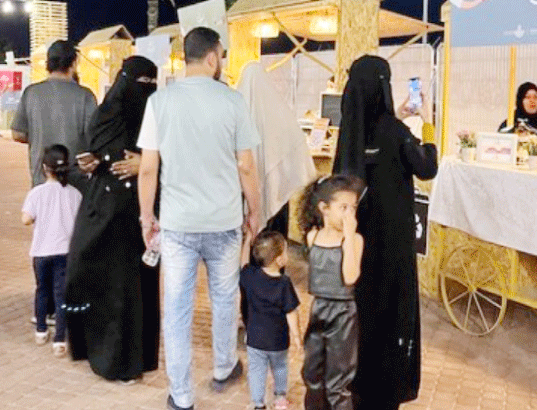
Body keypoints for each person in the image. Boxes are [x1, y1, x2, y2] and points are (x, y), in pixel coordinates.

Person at [136, 27, 261, 410]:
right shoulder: (234, 101)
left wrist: (146, 217)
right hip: (223, 222)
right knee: (225, 299)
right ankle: (224, 368)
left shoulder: (159, 101)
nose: (221, 62)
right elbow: (245, 165)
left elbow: (147, 170)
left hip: (177, 224)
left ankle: (182, 395)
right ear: (212, 57)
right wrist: (255, 209)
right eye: (221, 55)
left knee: (176, 308)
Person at [332, 55, 438, 410]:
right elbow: (427, 167)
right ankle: (387, 389)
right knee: (393, 313)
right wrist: (426, 127)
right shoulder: (394, 132)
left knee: (361, 313)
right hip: (393, 248)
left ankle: (357, 384)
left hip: (356, 249)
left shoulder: (349, 134)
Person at [65, 56, 161, 383]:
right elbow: (90, 150)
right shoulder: (106, 115)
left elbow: (174, 158)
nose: (144, 91)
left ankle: (127, 360)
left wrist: (147, 166)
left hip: (141, 213)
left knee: (134, 290)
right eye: (140, 83)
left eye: (151, 84)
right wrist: (91, 161)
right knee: (99, 279)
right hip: (105, 211)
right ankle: (98, 350)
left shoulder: (159, 115)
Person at [299, 175, 364, 410]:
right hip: (319, 309)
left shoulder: (355, 240)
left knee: (338, 381)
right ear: (324, 208)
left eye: (353, 208)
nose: (350, 214)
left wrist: (348, 237)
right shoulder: (313, 236)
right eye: (343, 207)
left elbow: (349, 277)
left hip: (343, 313)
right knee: (312, 374)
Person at [236, 62, 317, 235]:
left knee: (248, 242)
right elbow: (296, 145)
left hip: (243, 193)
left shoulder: (236, 115)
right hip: (276, 192)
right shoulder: (281, 116)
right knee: (273, 242)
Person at [11, 40, 98, 190]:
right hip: (76, 184)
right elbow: (94, 138)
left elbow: (17, 134)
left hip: (41, 180)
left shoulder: (31, 93)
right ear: (74, 62)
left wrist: (39, 135)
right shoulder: (85, 96)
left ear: (48, 63)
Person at [22, 144, 82, 358]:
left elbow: (26, 219)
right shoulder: (75, 194)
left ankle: (40, 330)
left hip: (41, 251)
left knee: (42, 290)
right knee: (61, 294)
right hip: (65, 252)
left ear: (44, 167)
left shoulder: (36, 193)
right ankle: (59, 340)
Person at [239, 231, 301, 410]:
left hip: (255, 339)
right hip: (278, 340)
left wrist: (247, 242)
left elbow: (243, 263)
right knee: (280, 367)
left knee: (257, 371)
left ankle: (258, 403)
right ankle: (280, 398)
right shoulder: (284, 283)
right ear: (280, 260)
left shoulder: (250, 277)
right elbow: (291, 312)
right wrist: (296, 335)